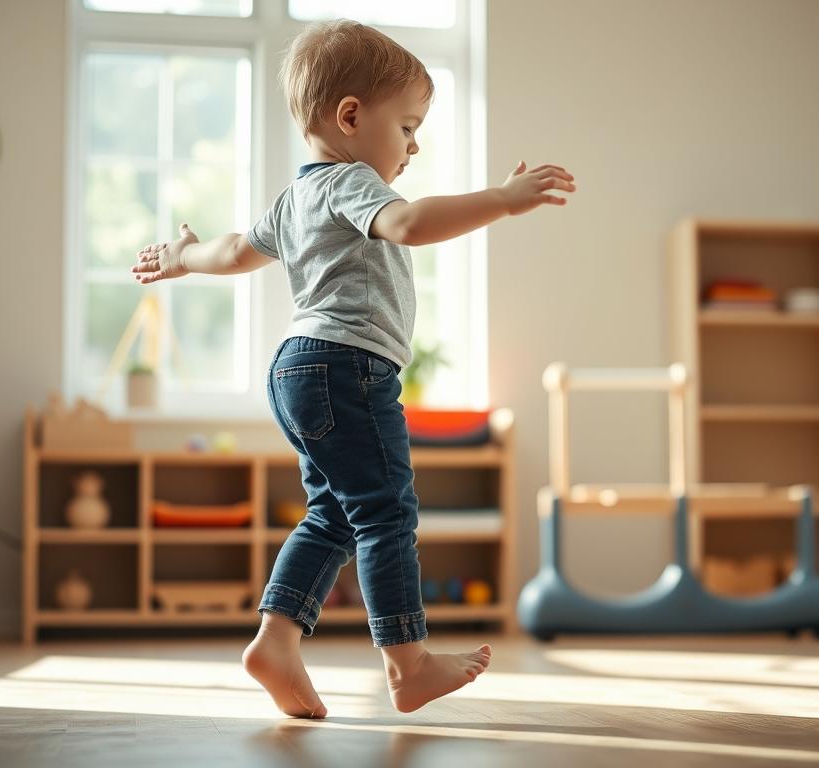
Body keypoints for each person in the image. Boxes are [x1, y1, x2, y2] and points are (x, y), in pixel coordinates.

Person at [132, 19, 575, 717]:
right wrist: (501, 200)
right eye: (407, 126)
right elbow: (410, 225)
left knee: (334, 514)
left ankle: (276, 640)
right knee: (387, 512)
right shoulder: (351, 183)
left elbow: (234, 254)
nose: (414, 144)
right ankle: (408, 662)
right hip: (348, 367)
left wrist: (184, 256)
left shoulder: (292, 199)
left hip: (298, 370)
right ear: (350, 117)